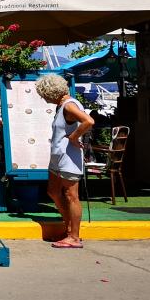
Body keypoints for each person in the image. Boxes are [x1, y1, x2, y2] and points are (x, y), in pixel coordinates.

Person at [35, 73, 94, 249]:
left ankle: (74, 236)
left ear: (50, 92)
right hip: (58, 158)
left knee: (71, 195)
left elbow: (88, 121)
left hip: (68, 158)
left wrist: (74, 137)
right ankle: (68, 227)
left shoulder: (69, 106)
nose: (44, 99)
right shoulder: (62, 106)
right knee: (53, 191)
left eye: (44, 95)